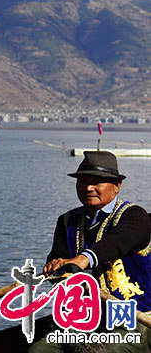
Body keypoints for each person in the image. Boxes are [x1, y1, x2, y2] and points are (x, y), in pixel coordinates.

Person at [30, 150, 151, 352]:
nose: (89, 188)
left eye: (97, 182)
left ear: (117, 186)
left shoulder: (135, 217)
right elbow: (57, 264)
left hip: (132, 320)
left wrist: (82, 260)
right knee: (38, 350)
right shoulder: (67, 221)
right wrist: (55, 267)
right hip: (82, 319)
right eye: (83, 181)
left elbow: (116, 242)